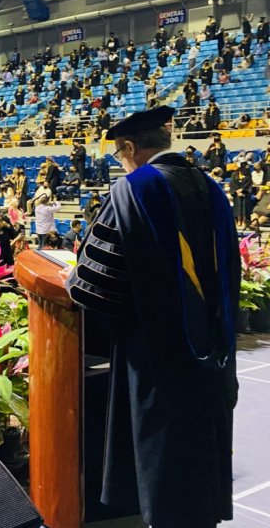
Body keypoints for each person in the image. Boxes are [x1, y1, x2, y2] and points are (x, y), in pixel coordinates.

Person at [66, 106, 239, 528]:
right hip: (213, 353)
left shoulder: (134, 190)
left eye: (120, 154)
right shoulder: (210, 187)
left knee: (163, 462)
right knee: (199, 457)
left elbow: (91, 283)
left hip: (155, 357)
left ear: (129, 147)